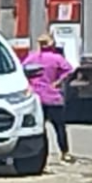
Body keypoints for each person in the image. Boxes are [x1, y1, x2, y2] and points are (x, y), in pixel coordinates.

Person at [22, 33, 75, 163]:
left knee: (39, 129)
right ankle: (65, 153)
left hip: (36, 97)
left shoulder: (31, 58)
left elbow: (22, 70)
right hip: (53, 96)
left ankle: (41, 155)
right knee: (59, 127)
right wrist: (58, 81)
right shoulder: (57, 58)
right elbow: (70, 70)